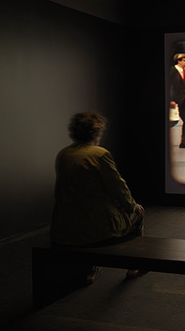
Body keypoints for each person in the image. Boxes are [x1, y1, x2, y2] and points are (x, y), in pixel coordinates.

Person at [50, 111, 146, 283]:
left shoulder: (64, 154)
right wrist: (132, 206)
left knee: (91, 218)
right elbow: (118, 187)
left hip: (64, 228)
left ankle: (90, 271)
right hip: (96, 229)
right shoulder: (99, 154)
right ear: (96, 133)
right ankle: (134, 266)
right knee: (137, 216)